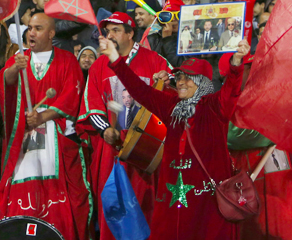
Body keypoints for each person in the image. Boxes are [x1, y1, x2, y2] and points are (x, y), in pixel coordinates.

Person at [102, 38, 249, 239]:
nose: (180, 82)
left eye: (188, 78)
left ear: (202, 82)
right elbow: (140, 90)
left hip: (207, 202)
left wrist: (236, 63)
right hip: (172, 200)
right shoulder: (170, 106)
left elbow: (231, 89)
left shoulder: (215, 107)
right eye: (179, 77)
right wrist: (115, 58)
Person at [78, 11, 170, 240]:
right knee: (114, 210)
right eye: (107, 32)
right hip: (113, 149)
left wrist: (168, 82)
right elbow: (92, 105)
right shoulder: (99, 65)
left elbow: (172, 100)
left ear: (131, 33)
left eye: (116, 31)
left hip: (146, 149)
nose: (110, 36)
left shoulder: (155, 61)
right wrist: (105, 130)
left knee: (147, 206)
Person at [0, 13, 90, 240]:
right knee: (22, 193)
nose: (31, 33)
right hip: (24, 142)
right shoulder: (18, 60)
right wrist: (12, 71)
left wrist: (43, 116)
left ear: (51, 33)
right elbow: (5, 86)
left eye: (38, 28)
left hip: (56, 140)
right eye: (29, 28)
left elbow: (71, 95)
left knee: (61, 197)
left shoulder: (67, 60)